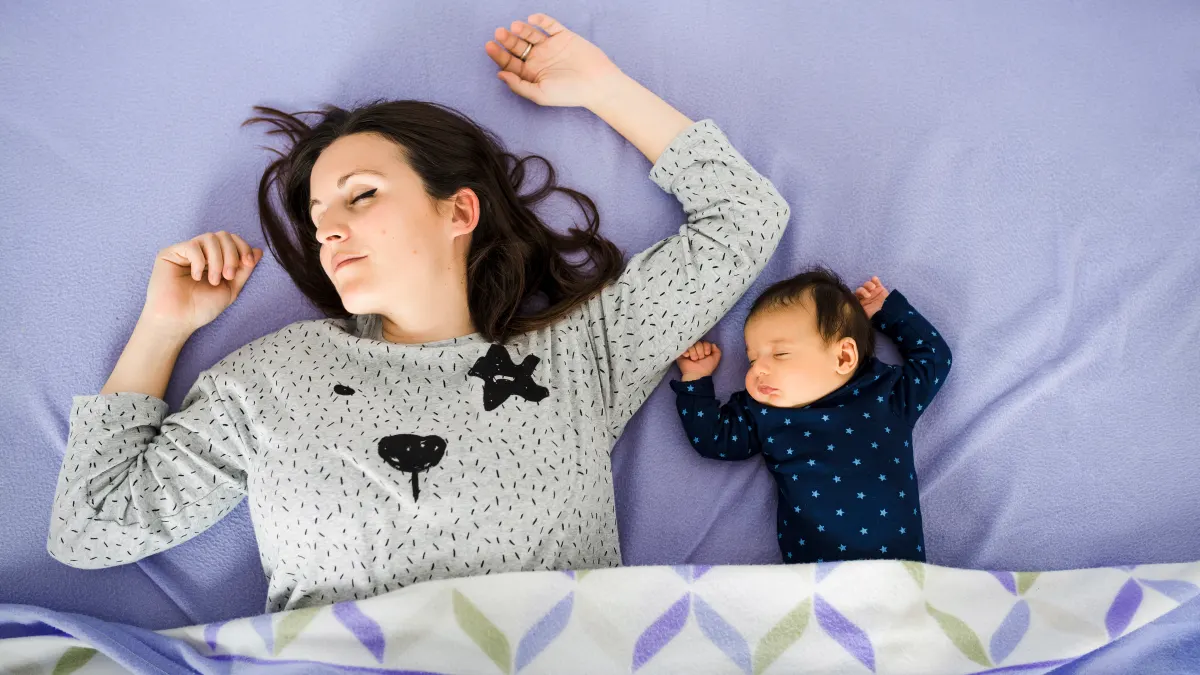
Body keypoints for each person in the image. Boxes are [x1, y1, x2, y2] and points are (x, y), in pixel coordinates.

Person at [47, 13, 791, 613]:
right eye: (317, 217)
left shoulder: (579, 353)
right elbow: (91, 527)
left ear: (458, 209)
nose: (329, 228)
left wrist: (602, 87)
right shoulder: (274, 376)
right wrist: (165, 327)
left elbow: (744, 217)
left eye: (362, 194)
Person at [672, 269, 951, 563]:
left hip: (898, 574)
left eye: (779, 354)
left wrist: (888, 311)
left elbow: (934, 357)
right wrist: (695, 379)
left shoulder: (884, 394)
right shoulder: (763, 412)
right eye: (752, 359)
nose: (757, 370)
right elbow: (715, 439)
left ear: (843, 357)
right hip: (812, 579)